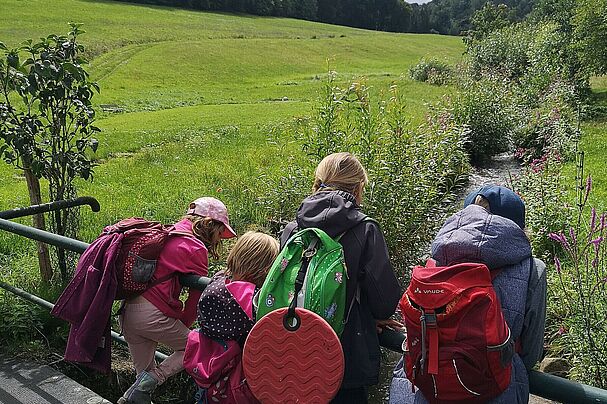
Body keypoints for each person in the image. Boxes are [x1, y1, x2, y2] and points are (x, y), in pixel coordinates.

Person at [389, 185, 547, 404]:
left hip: (427, 387)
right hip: (495, 388)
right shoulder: (533, 269)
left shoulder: (435, 260)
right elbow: (531, 350)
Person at [280, 152, 402, 403]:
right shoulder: (365, 229)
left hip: (291, 346)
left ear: (318, 183)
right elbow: (385, 303)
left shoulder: (293, 228)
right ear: (358, 189)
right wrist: (368, 317)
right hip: (344, 354)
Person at [118, 197, 237, 404]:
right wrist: (182, 327)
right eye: (220, 232)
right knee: (198, 346)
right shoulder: (195, 248)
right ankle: (152, 380)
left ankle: (134, 395)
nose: (219, 239)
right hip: (152, 316)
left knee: (141, 388)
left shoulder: (168, 232)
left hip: (128, 314)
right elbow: (194, 302)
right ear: (210, 224)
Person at [189, 231, 279, 403]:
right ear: (266, 268)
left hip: (207, 369)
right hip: (235, 383)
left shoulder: (217, 280)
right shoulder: (253, 298)